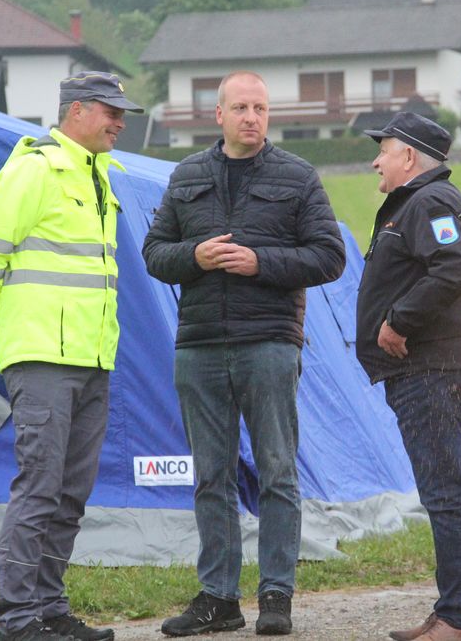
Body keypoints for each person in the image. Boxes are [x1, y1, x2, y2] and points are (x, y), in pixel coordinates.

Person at [142, 71, 345, 637]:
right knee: (211, 476)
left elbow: (330, 256)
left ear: (268, 114)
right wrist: (195, 256)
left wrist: (262, 263)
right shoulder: (186, 175)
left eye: (260, 107)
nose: (251, 117)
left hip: (270, 343)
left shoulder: (298, 176)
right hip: (199, 345)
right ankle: (219, 599)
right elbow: (154, 253)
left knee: (277, 470)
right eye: (240, 107)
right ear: (219, 115)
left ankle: (276, 596)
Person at [0, 71, 144, 641]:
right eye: (111, 112)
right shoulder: (34, 170)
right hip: (42, 357)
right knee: (40, 487)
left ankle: (49, 609)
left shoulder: (100, 175)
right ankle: (18, 619)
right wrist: (4, 323)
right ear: (77, 111)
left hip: (93, 359)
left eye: (122, 114)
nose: (120, 124)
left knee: (70, 494)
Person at [356, 112, 461, 641]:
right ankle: (450, 614)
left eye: (383, 151)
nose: (375, 162)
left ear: (408, 156)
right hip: (424, 369)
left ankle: (456, 620)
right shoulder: (416, 204)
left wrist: (398, 320)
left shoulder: (430, 201)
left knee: (445, 494)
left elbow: (455, 266)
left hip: (431, 368)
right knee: (441, 492)